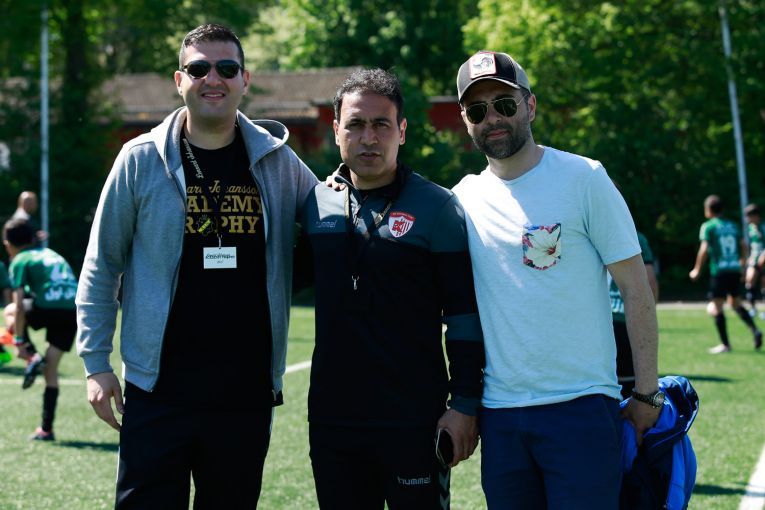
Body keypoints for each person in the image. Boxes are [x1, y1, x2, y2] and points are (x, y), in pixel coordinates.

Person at [76, 23, 317, 508]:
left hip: (244, 393)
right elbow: (102, 265)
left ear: (244, 79)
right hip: (157, 389)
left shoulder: (278, 161)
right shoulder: (139, 159)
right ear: (179, 80)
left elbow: (334, 217)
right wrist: (95, 363)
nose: (213, 79)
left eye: (226, 68)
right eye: (199, 68)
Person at [451, 50, 661, 508]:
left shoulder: (584, 177)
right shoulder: (462, 199)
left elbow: (635, 289)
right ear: (465, 121)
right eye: (477, 110)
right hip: (501, 417)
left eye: (504, 104)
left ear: (530, 105)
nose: (492, 118)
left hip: (582, 407)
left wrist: (647, 392)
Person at [300, 68, 485, 509]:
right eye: (356, 125)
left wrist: (464, 403)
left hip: (413, 419)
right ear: (336, 131)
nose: (369, 138)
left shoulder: (437, 207)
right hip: (333, 420)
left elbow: (463, 316)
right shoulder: (316, 203)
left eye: (381, 124)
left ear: (402, 131)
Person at [2, 218, 78, 440]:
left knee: (10, 311)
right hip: (72, 311)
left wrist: (19, 342)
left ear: (7, 244)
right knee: (50, 369)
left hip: (48, 307)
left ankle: (32, 355)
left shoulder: (20, 259)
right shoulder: (51, 253)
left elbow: (18, 307)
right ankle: (46, 429)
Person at [689, 195, 762, 353]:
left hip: (720, 271)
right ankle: (755, 330)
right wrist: (742, 263)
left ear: (708, 210)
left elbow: (704, 249)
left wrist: (697, 269)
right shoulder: (733, 226)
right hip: (734, 269)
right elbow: (743, 246)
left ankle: (725, 344)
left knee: (716, 307)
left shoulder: (708, 226)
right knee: (735, 303)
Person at [609, 231, 659, 399]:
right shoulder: (636, 237)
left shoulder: (587, 231)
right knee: (631, 390)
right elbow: (650, 281)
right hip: (626, 318)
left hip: (600, 320)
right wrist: (649, 316)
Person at [744, 203, 765, 318]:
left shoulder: (763, 227)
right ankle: (753, 309)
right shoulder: (750, 228)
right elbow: (752, 245)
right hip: (754, 260)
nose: (747, 219)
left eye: (749, 216)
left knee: (764, 284)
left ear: (756, 216)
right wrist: (750, 257)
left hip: (763, 260)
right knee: (749, 281)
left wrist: (763, 257)